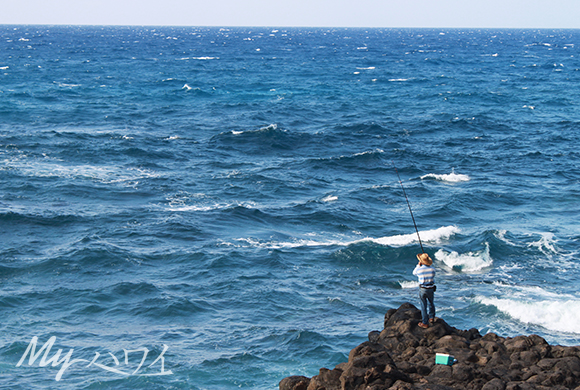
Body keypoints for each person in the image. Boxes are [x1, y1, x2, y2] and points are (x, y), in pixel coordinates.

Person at [412, 253, 436, 329]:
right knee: (431, 303)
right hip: (431, 288)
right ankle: (431, 317)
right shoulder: (432, 269)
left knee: (423, 305)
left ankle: (425, 323)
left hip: (423, 289)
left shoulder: (419, 270)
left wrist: (418, 265)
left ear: (421, 261)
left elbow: (414, 273)